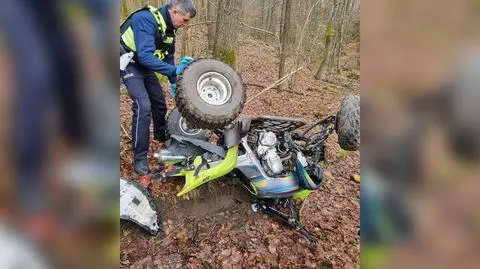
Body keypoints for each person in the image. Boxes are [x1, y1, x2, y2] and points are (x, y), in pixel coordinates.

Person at [120, 0, 196, 175]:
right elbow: (146, 56)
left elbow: (167, 56)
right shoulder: (146, 19)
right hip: (128, 62)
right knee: (143, 106)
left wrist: (174, 78)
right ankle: (140, 157)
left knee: (159, 104)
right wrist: (173, 70)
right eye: (185, 20)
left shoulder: (169, 29)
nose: (185, 25)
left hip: (143, 66)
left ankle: (161, 138)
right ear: (175, 11)